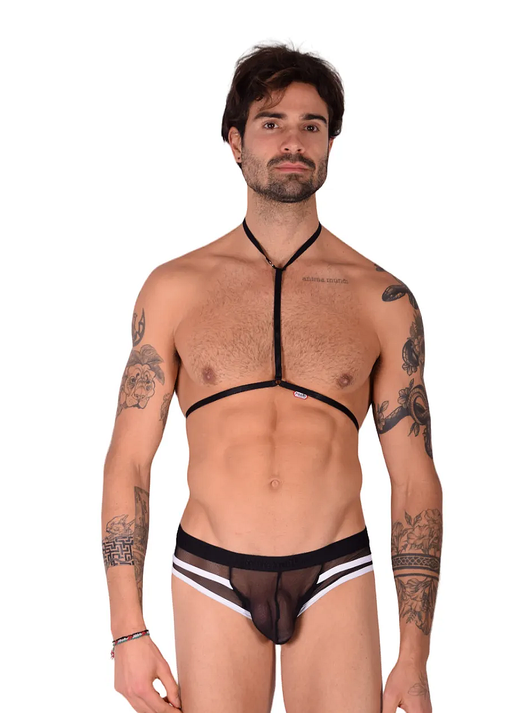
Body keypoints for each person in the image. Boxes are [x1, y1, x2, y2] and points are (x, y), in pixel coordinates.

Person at [101, 40, 443, 713]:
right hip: (210, 569)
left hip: (338, 566)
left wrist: (414, 654)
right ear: (235, 142)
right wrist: (127, 632)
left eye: (312, 125)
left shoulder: (383, 298)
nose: (293, 141)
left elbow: (414, 479)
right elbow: (129, 461)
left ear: (330, 144)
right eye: (271, 123)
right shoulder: (174, 288)